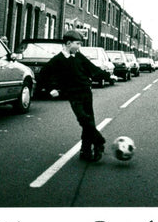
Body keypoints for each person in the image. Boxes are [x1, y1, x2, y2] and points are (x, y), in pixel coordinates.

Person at [39, 30, 107, 162]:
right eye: (78, 44)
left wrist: (107, 75)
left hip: (86, 92)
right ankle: (99, 141)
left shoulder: (79, 57)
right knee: (83, 119)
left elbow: (93, 69)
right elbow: (43, 75)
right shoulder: (57, 60)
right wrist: (51, 89)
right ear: (68, 43)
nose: (79, 47)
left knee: (89, 121)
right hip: (73, 94)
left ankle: (85, 151)